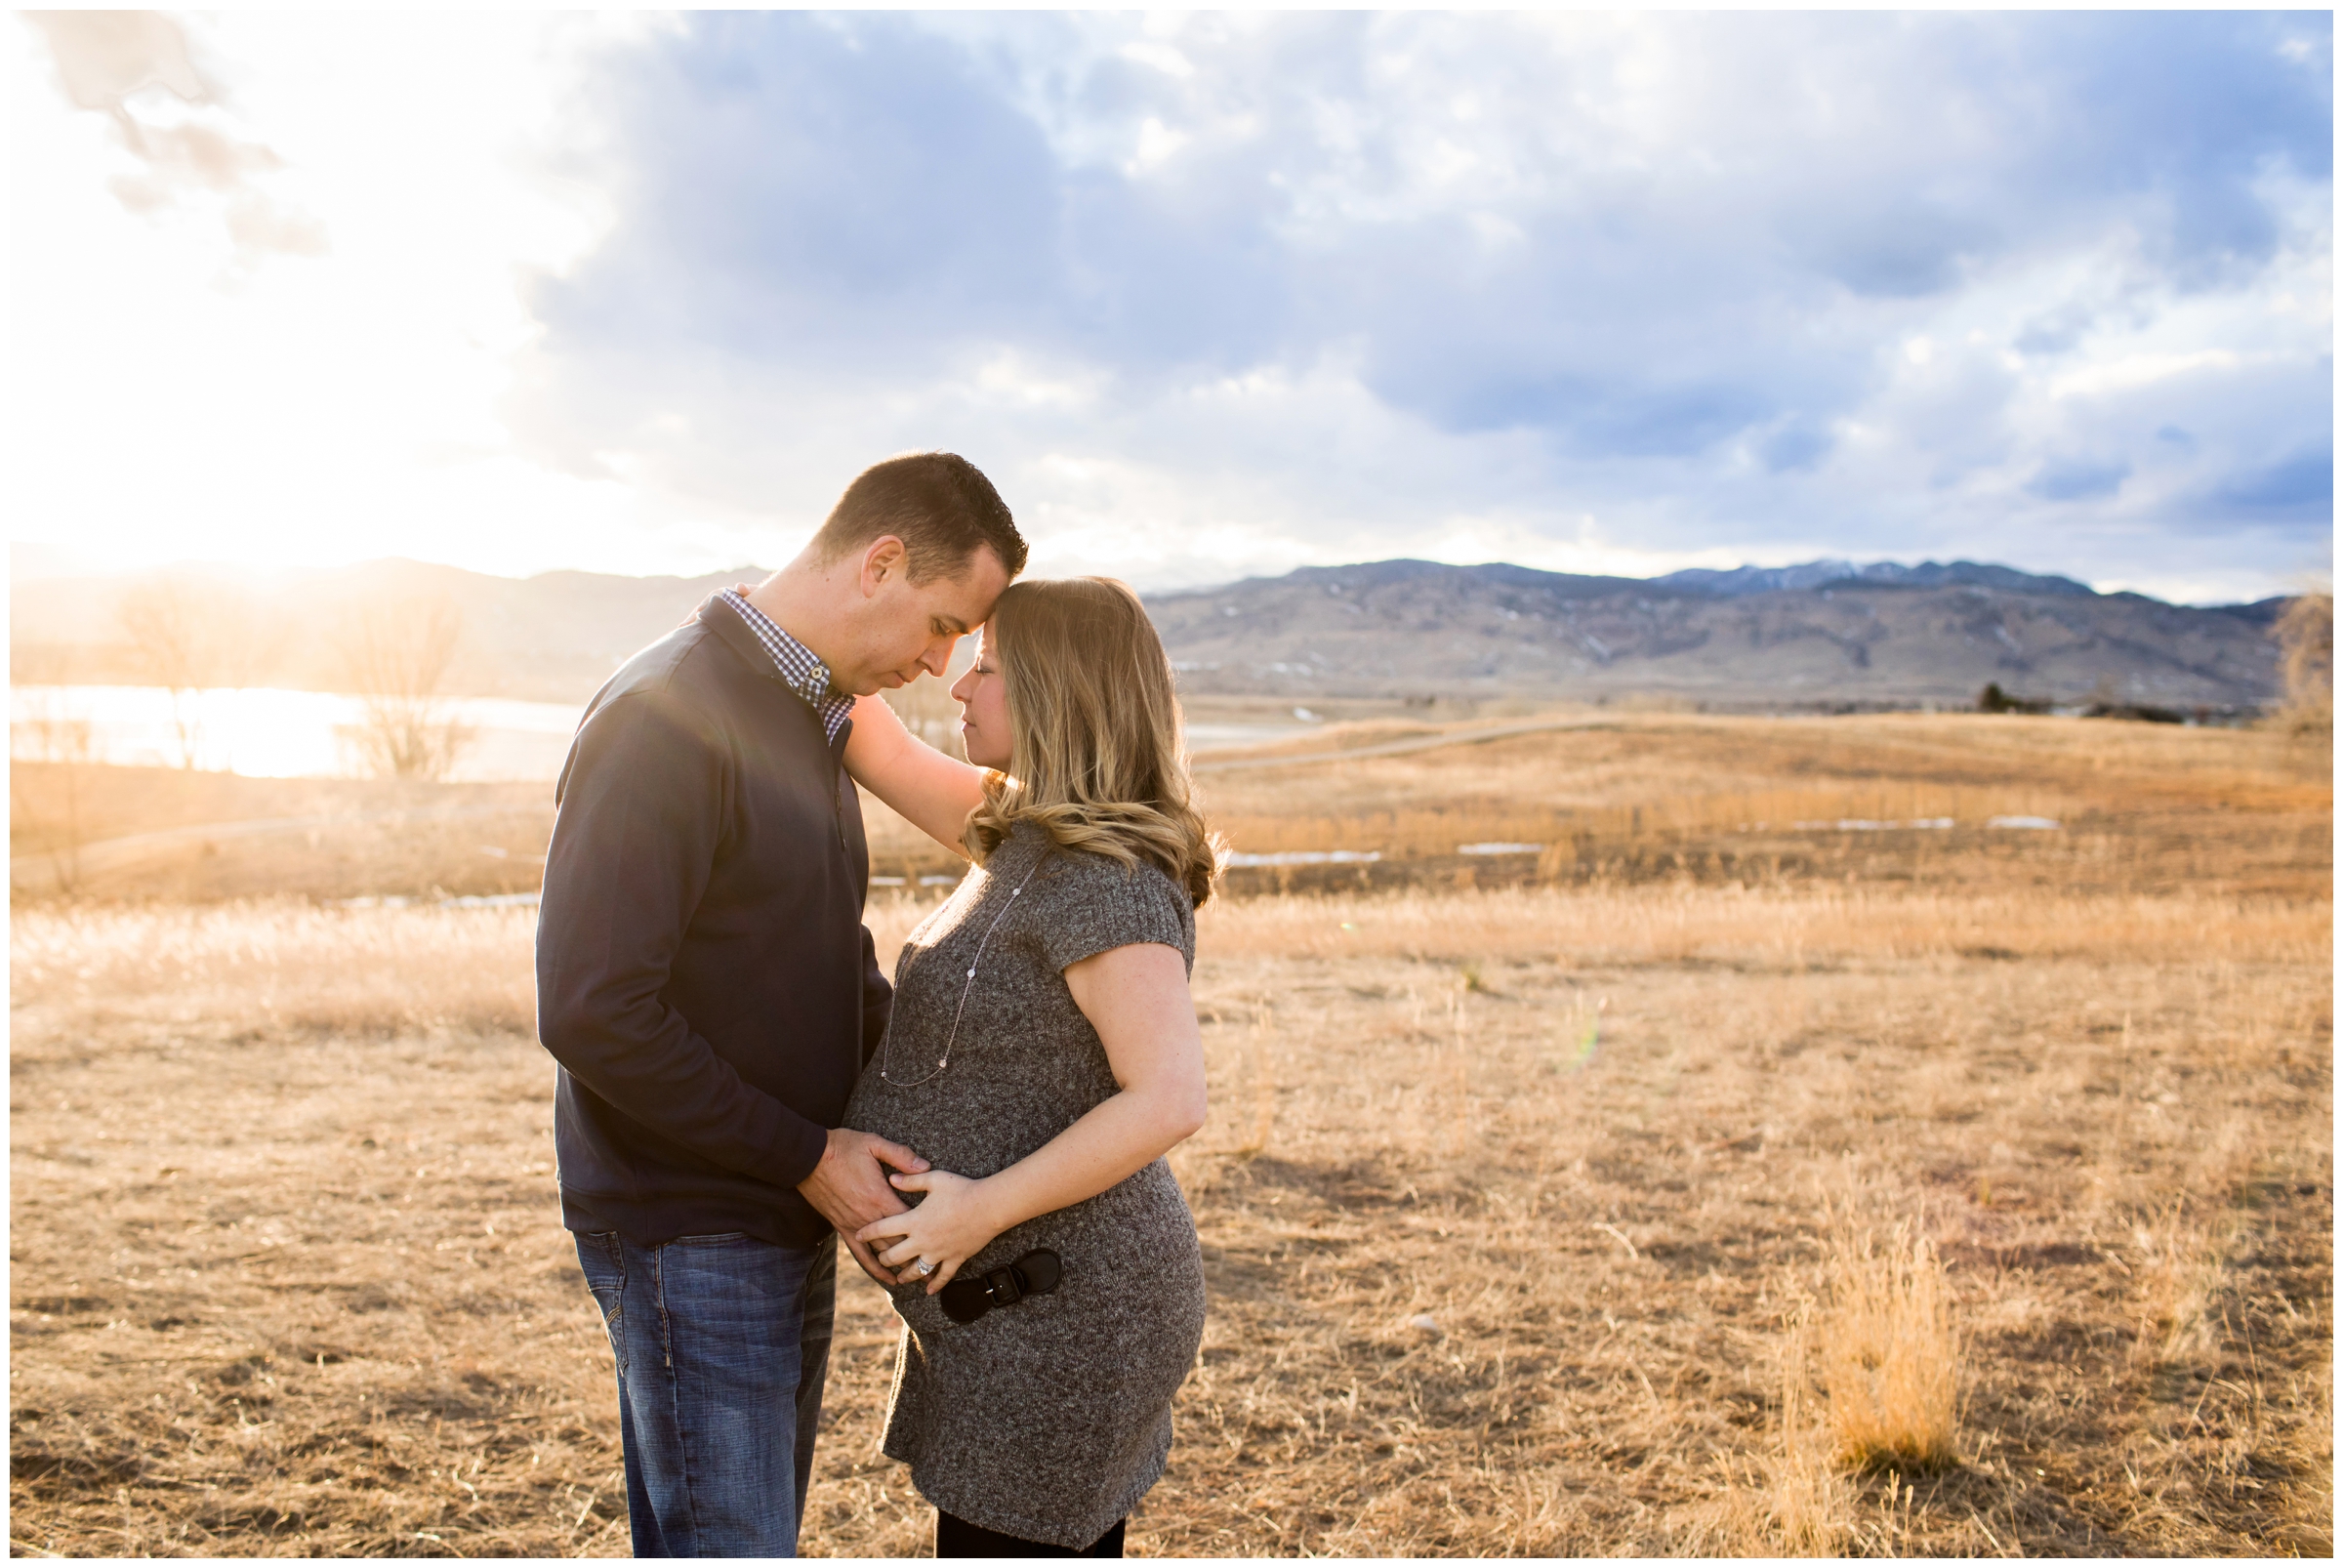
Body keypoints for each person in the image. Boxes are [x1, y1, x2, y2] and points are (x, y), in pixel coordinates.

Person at [534, 452, 1026, 1557]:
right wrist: (805, 1151)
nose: (939, 663)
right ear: (881, 561)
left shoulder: (807, 712)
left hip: (768, 1199)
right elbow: (592, 1007)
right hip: (687, 1218)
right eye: (942, 622)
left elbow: (813, 952)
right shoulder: (667, 713)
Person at [839, 575, 1218, 1557]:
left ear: (1056, 692)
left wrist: (979, 1208)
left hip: (1065, 1315)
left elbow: (1171, 1095)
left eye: (991, 667)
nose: (959, 684)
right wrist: (782, 619)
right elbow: (872, 742)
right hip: (1014, 1305)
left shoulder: (1105, 875)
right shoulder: (1026, 831)